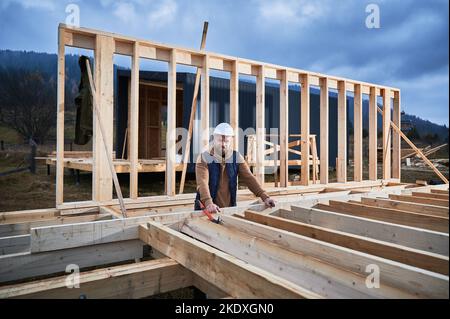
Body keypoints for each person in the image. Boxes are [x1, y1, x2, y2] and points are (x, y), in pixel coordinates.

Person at [195, 122, 276, 213]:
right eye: (220, 140)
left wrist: (265, 197)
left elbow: (249, 178)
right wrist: (208, 203)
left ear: (231, 141)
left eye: (226, 141)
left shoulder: (236, 157)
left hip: (230, 208)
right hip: (207, 210)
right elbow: (202, 183)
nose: (223, 144)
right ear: (214, 139)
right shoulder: (204, 158)